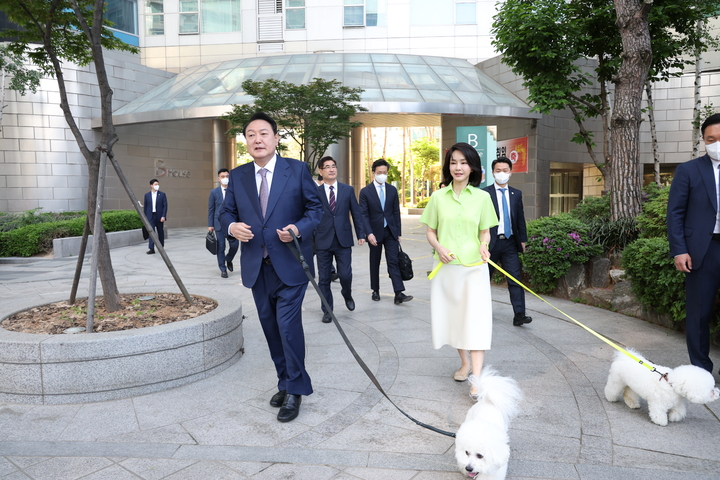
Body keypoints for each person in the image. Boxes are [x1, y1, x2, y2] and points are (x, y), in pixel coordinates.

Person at [219, 112, 323, 422]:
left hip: (290, 263)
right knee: (270, 328)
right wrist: (231, 227)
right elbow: (226, 213)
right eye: (251, 134)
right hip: (256, 265)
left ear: (276, 139)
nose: (257, 139)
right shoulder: (237, 176)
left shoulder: (297, 169)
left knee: (288, 327)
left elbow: (314, 209)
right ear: (246, 142)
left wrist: (298, 228)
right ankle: (286, 381)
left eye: (264, 133)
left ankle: (296, 390)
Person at [420, 143, 498, 398]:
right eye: (453, 162)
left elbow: (485, 231)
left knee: (475, 321)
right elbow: (430, 231)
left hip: (474, 268)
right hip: (446, 269)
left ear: (472, 166)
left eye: (463, 162)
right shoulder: (438, 197)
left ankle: (476, 378)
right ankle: (464, 362)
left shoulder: (483, 197)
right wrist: (439, 248)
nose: (458, 167)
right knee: (454, 320)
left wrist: (484, 245)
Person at [667, 112, 720, 374]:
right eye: (710, 139)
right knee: (699, 314)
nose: (716, 143)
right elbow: (675, 212)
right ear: (703, 140)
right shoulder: (688, 170)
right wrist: (679, 250)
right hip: (702, 250)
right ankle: (701, 371)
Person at [314, 156, 366, 323]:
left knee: (345, 275)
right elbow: (310, 215)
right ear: (320, 171)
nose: (331, 169)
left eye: (333, 166)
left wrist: (361, 234)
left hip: (343, 240)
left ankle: (347, 293)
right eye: (327, 167)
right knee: (323, 278)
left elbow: (356, 213)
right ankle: (327, 309)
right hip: (322, 240)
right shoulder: (315, 193)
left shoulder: (347, 190)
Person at [482, 156, 532, 327]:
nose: (501, 173)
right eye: (498, 171)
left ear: (510, 173)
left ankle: (519, 314)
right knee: (483, 279)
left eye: (505, 170)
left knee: (514, 278)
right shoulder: (484, 193)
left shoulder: (516, 194)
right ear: (493, 173)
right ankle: (481, 312)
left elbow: (520, 219)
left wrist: (523, 240)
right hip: (490, 243)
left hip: (510, 242)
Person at [359, 159, 413, 305]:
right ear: (373, 173)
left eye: (384, 172)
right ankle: (375, 290)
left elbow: (396, 212)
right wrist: (368, 233)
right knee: (374, 261)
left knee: (393, 261)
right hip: (374, 233)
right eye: (379, 173)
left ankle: (398, 292)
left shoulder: (392, 190)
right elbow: (363, 214)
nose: (382, 175)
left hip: (390, 231)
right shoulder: (365, 192)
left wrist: (398, 232)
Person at [208, 168, 239, 278]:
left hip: (232, 224)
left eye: (227, 176)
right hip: (218, 224)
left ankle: (228, 258)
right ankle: (223, 269)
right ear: (219, 178)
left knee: (234, 245)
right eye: (223, 176)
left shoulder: (235, 190)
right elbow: (211, 209)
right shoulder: (214, 192)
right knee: (220, 247)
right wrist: (210, 224)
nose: (225, 178)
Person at [143, 178, 167, 254]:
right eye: (155, 184)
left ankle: (161, 247)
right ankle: (151, 248)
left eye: (158, 184)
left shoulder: (162, 194)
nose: (157, 186)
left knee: (160, 232)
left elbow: (165, 206)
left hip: (159, 216)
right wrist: (145, 218)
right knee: (151, 232)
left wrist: (163, 216)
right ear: (151, 185)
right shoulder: (147, 195)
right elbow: (146, 207)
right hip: (151, 216)